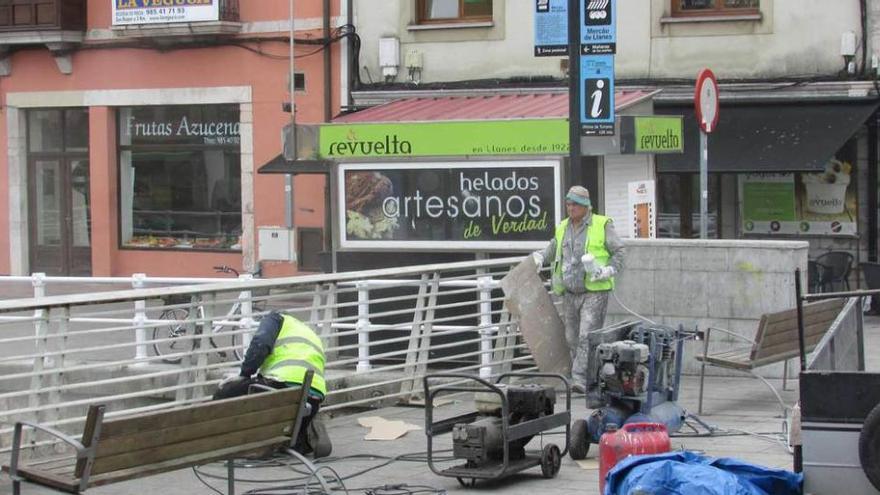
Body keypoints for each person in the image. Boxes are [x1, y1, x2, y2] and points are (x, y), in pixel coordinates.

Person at [532, 185, 625, 405]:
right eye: (568, 203)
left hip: (594, 291)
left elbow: (619, 251)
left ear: (585, 207)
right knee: (571, 337)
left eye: (575, 204)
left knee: (586, 335)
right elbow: (555, 247)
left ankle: (581, 379)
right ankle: (588, 376)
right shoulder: (563, 226)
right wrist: (539, 258)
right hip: (570, 291)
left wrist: (609, 269)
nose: (570, 208)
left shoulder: (602, 224)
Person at [214, 311, 331, 457]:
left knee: (226, 391)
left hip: (280, 388)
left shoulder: (275, 318)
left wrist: (244, 374)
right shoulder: (308, 333)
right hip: (313, 397)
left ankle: (224, 444)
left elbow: (260, 344)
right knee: (293, 415)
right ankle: (304, 436)